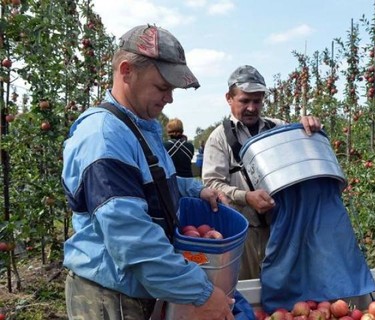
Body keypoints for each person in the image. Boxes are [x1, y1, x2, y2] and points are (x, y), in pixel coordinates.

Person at [61, 24, 233, 320]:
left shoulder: (139, 127)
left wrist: (196, 189)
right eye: (163, 87)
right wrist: (201, 293)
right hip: (109, 298)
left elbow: (151, 182)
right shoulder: (104, 136)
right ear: (127, 71)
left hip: (136, 289)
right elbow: (130, 236)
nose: (170, 98)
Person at [202, 65, 321, 280]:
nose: (251, 107)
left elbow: (305, 150)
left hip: (281, 229)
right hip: (243, 233)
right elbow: (212, 184)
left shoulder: (278, 129)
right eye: (244, 101)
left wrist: (308, 126)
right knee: (246, 290)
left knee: (284, 290)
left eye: (257, 101)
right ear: (229, 98)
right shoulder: (219, 138)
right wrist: (246, 197)